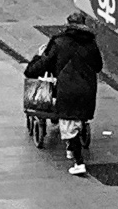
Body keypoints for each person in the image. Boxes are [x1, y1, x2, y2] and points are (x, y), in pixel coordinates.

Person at [26, 12, 106, 178]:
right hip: (87, 89)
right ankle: (72, 149)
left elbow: (44, 63)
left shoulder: (59, 42)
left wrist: (31, 67)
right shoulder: (91, 43)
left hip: (67, 90)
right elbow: (98, 66)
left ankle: (78, 163)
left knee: (69, 125)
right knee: (78, 119)